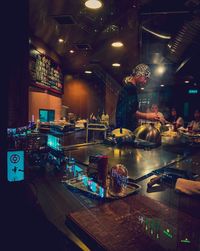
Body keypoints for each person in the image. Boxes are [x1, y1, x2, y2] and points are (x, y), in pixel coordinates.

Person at [116, 64, 161, 131]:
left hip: (124, 129)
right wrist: (148, 116)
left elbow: (130, 110)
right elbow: (130, 112)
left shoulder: (129, 87)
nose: (145, 81)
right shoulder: (130, 88)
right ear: (140, 75)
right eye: (145, 78)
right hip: (125, 131)